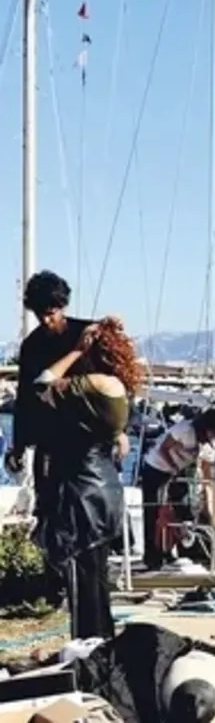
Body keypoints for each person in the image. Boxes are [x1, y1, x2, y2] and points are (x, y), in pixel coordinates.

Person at [33, 316, 143, 640]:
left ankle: (86, 650)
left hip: (83, 492)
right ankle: (103, 646)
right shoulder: (119, 388)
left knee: (81, 584)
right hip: (106, 488)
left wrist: (75, 353)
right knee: (98, 581)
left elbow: (42, 382)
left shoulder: (93, 383)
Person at [5, 271, 88, 487]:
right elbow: (24, 397)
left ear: (63, 307)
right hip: (49, 436)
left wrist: (119, 431)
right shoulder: (32, 345)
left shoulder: (86, 333)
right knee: (47, 506)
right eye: (39, 314)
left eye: (51, 313)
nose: (45, 320)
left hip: (87, 436)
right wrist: (19, 445)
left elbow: (116, 384)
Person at [138, 407, 215, 570]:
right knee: (155, 512)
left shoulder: (210, 444)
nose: (214, 435)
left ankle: (178, 552)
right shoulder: (185, 430)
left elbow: (206, 467)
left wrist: (208, 489)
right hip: (157, 468)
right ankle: (153, 555)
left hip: (179, 472)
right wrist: (173, 468)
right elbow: (164, 448)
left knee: (182, 511)